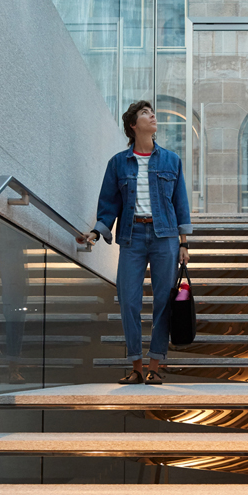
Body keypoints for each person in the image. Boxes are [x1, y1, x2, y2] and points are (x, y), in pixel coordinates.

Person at [78, 101, 191, 384]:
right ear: (133, 125)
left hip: (164, 236)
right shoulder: (118, 163)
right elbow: (109, 203)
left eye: (152, 113)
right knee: (129, 300)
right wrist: (96, 232)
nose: (152, 116)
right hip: (132, 235)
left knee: (163, 301)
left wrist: (184, 243)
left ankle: (155, 365)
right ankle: (136, 366)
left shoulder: (171, 161)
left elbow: (181, 204)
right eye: (145, 113)